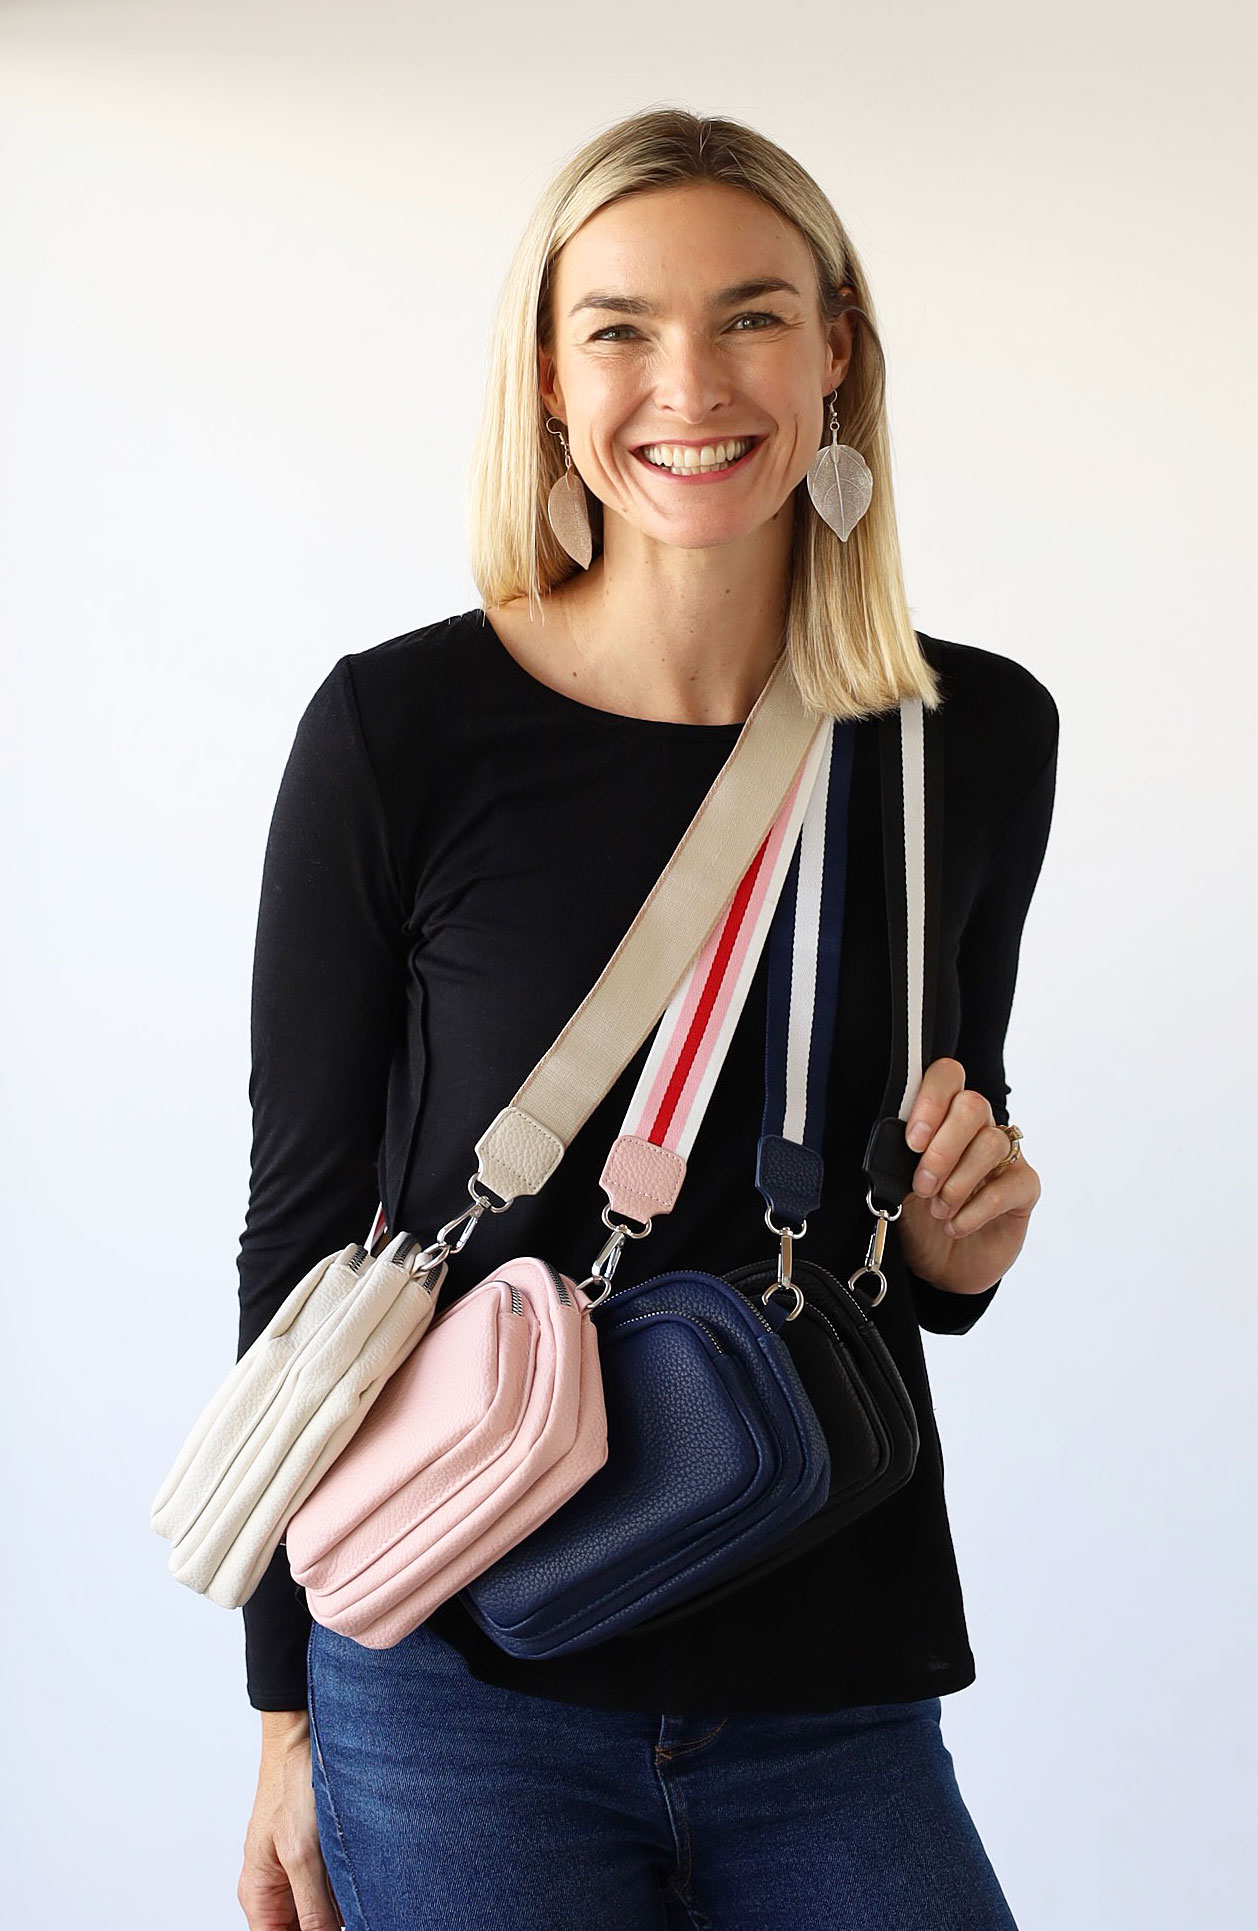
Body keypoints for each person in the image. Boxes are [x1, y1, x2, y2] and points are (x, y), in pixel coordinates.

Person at [235, 107, 1057, 1931]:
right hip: (452, 1684)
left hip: (828, 1660)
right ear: (548, 375)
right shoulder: (399, 733)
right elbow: (301, 1239)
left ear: (834, 352)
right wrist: (286, 1712)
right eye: (619, 327)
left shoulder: (971, 736)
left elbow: (925, 1193)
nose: (690, 383)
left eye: (752, 315)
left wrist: (959, 1249)